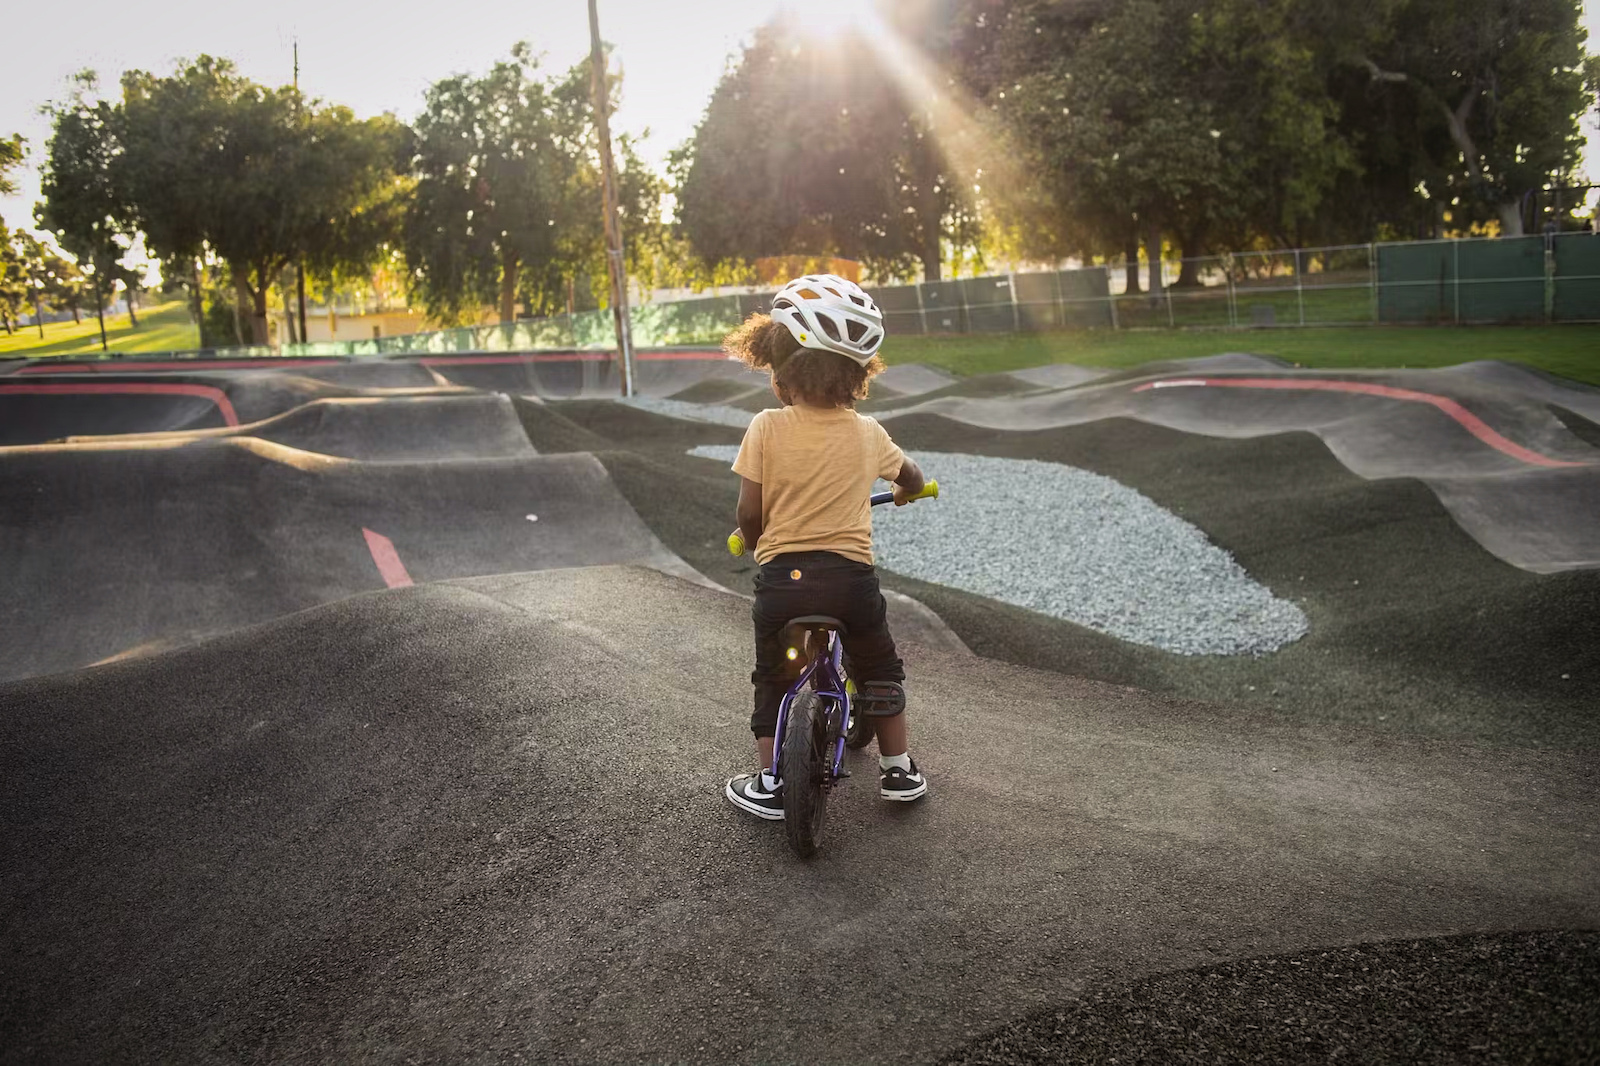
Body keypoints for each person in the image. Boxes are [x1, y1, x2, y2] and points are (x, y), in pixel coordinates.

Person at [720, 274, 929, 820]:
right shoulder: (868, 433)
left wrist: (757, 539)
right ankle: (899, 769)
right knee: (880, 667)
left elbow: (749, 512)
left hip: (782, 583)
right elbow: (910, 474)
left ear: (781, 366)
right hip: (851, 584)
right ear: (858, 375)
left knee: (773, 676)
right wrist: (906, 491)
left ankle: (768, 781)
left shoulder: (765, 427)